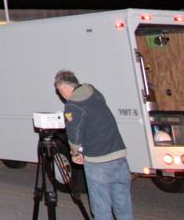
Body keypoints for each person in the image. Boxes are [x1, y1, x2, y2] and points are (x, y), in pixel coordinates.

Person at [55, 69, 133, 220]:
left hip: (98, 162)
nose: (61, 95)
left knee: (101, 210)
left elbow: (74, 134)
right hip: (119, 158)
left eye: (59, 91)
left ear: (64, 88)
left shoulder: (73, 105)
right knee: (124, 208)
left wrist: (74, 153)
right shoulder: (95, 95)